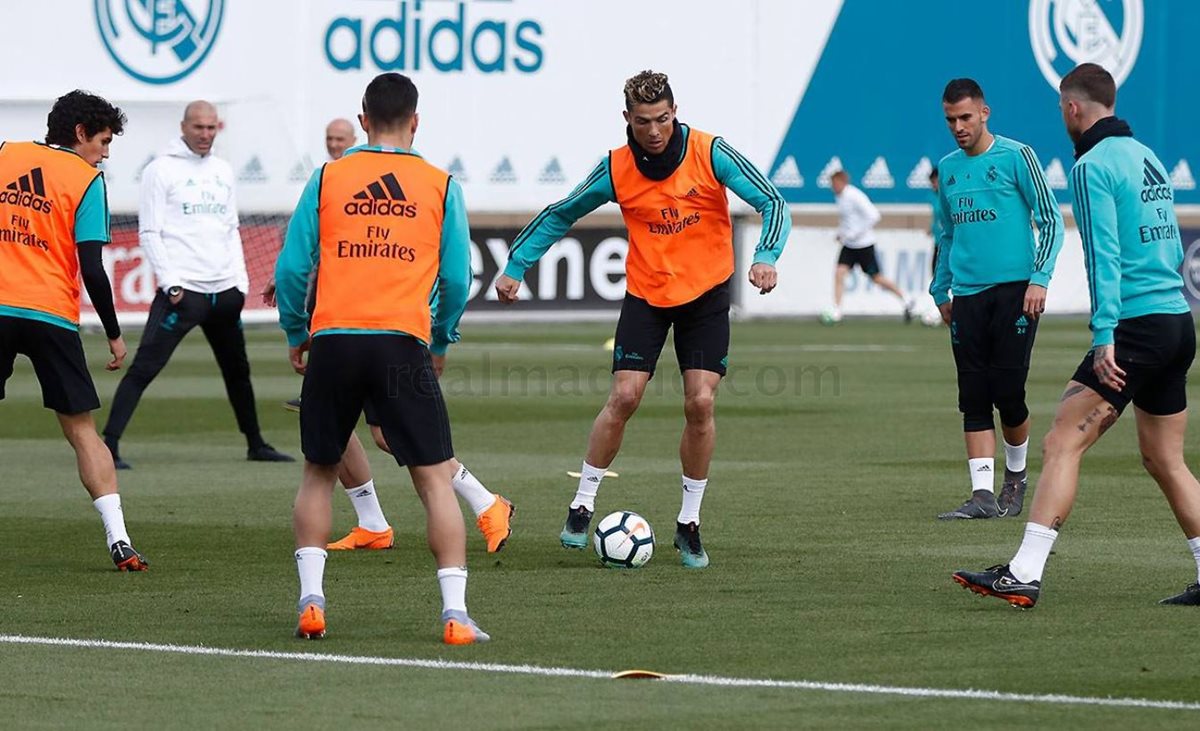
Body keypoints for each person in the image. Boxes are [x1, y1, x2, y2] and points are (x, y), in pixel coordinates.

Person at [495, 70, 791, 568]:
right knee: (625, 396)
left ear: (674, 113)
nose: (654, 130)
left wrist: (766, 254)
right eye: (643, 121)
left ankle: (689, 523)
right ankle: (583, 503)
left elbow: (772, 200)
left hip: (706, 294)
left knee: (699, 403)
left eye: (662, 119)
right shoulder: (615, 168)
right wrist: (516, 265)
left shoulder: (709, 151)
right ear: (626, 119)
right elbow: (561, 212)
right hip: (648, 295)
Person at [953, 64, 1200, 608]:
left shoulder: (1091, 165)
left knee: (1062, 441)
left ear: (1072, 108)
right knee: (1166, 460)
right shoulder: (1146, 156)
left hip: (1133, 327)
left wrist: (1106, 334)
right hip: (1176, 322)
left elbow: (1103, 257)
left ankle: (1023, 573)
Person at [276, 72, 488, 643]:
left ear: (362, 120)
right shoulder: (440, 183)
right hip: (401, 341)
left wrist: (297, 330)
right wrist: (439, 340)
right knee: (433, 483)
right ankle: (454, 615)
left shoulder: (328, 176)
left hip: (335, 340)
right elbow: (456, 278)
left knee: (319, 474)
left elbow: (292, 269)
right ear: (415, 122)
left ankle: (312, 602)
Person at [0, 90, 147, 570]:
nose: (106, 152)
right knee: (82, 431)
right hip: (50, 315)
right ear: (80, 133)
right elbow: (92, 267)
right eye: (103, 141)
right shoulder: (87, 180)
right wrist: (113, 331)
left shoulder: (5, 154)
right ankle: (119, 539)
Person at [102, 101, 292, 469]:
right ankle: (108, 444)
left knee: (238, 371)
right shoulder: (160, 170)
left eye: (211, 128)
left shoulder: (222, 170)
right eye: (199, 128)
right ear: (184, 127)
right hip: (185, 292)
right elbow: (150, 232)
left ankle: (256, 443)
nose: (206, 135)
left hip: (224, 292)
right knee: (145, 367)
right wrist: (172, 285)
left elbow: (231, 228)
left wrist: (239, 282)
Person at [261, 282, 514, 554]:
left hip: (390, 324)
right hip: (344, 321)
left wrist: (435, 327)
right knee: (336, 425)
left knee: (390, 432)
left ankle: (485, 502)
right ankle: (373, 525)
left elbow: (455, 271)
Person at [930, 78, 1064, 521]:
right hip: (966, 296)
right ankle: (982, 495)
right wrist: (940, 289)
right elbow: (947, 235)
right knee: (972, 395)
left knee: (1008, 391)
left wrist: (1039, 279)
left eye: (965, 117)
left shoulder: (1016, 156)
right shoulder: (948, 169)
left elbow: (1050, 220)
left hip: (1016, 293)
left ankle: (1017, 476)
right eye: (951, 119)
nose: (958, 127)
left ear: (985, 113)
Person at [283, 118, 359, 413]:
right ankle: (315, 392)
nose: (334, 144)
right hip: (328, 268)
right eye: (330, 138)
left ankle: (327, 393)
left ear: (354, 139)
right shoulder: (325, 176)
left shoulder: (342, 178)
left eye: (340, 139)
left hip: (353, 270)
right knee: (319, 323)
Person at [828, 169, 913, 323]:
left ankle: (906, 298)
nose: (832, 187)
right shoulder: (839, 198)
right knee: (839, 273)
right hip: (849, 245)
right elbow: (847, 220)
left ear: (842, 182)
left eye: (834, 183)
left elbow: (874, 215)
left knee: (877, 278)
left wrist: (855, 233)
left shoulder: (854, 196)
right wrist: (842, 233)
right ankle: (837, 310)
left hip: (864, 244)